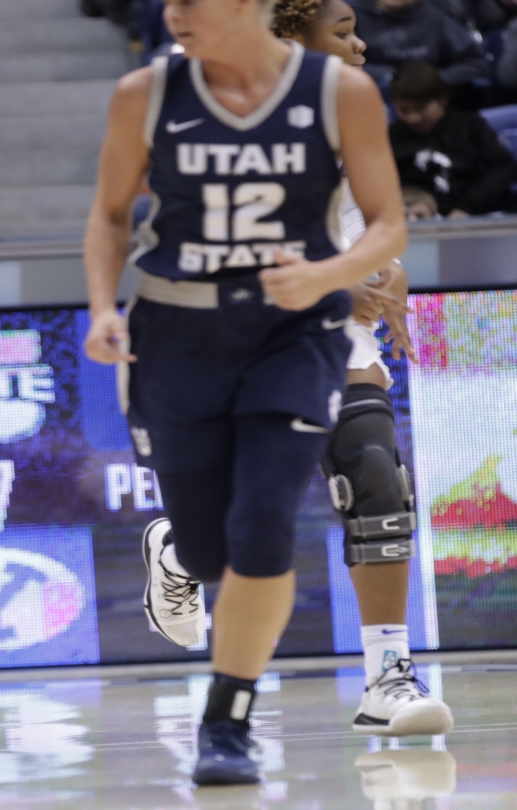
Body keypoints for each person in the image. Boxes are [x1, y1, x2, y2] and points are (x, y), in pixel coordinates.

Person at [83, 0, 408, 784]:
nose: (173, 12)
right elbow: (110, 212)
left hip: (293, 337)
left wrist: (327, 277)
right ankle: (181, 553)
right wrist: (100, 305)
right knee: (211, 548)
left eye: (191, 0)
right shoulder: (144, 92)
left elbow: (389, 223)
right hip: (179, 334)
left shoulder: (341, 92)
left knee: (267, 525)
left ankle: (226, 721)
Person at [142, 0, 454, 744]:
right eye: (344, 31)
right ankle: (179, 551)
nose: (363, 41)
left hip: (332, 334)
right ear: (288, 38)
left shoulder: (353, 106)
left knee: (375, 474)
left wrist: (390, 272)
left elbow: (366, 221)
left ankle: (388, 676)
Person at [389, 61, 517, 217]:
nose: (413, 118)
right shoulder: (392, 136)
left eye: (420, 109)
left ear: (442, 99)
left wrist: (466, 208)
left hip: (475, 215)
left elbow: (503, 169)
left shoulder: (471, 127)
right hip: (414, 218)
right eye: (403, 110)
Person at [349, 0, 490, 93]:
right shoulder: (351, 15)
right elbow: (341, 65)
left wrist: (431, 81)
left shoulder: (438, 15)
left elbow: (476, 64)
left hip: (431, 100)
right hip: (374, 95)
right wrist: (396, 79)